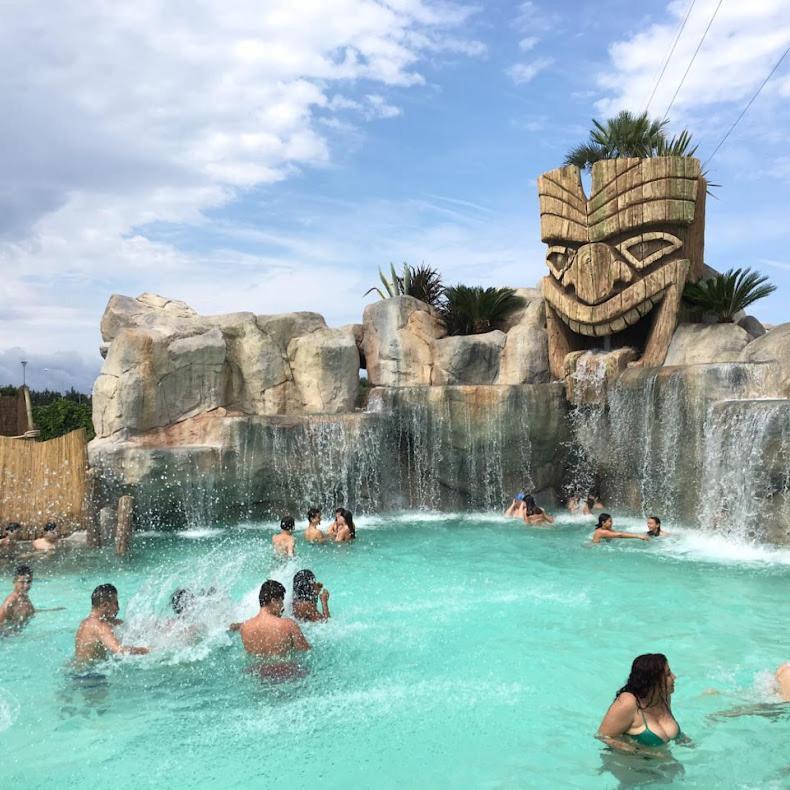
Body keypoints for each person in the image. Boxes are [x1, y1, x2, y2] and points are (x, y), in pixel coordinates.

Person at [598, 653, 683, 751]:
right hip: (630, 764)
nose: (674, 677)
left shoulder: (663, 698)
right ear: (653, 680)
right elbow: (603, 737)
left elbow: (668, 730)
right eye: (668, 674)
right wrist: (642, 753)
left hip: (661, 762)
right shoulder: (628, 702)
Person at [74, 584, 149, 663]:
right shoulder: (99, 626)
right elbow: (119, 650)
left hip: (80, 671)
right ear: (105, 605)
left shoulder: (86, 622)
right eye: (115, 603)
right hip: (88, 674)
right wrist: (145, 650)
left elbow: (124, 625)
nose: (118, 608)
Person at [237, 580, 310, 657]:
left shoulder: (244, 628)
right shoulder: (288, 625)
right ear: (274, 601)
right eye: (281, 601)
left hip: (254, 668)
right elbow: (306, 652)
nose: (282, 606)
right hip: (284, 668)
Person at [0, 565, 35, 630]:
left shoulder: (25, 599)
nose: (26, 586)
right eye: (22, 582)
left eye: (29, 582)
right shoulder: (10, 602)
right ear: (14, 581)